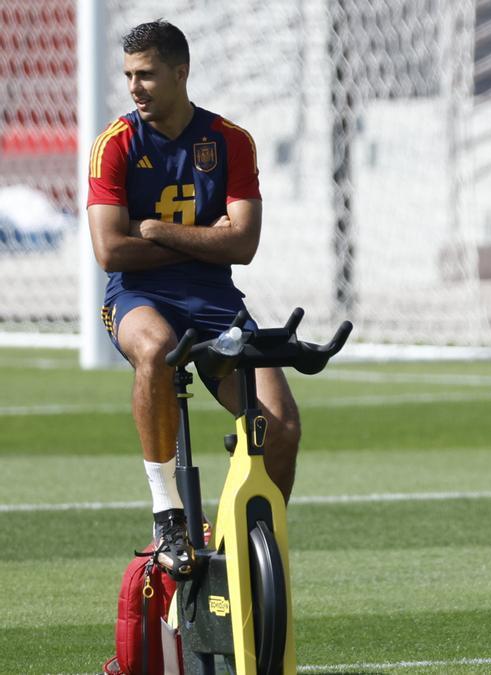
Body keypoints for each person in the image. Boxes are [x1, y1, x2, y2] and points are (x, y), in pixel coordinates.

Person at [87, 20, 301, 579]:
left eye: (147, 75)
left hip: (215, 299)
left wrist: (155, 230)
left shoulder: (230, 140)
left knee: (281, 428)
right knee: (155, 348)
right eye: (129, 75)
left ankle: (246, 548)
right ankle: (167, 513)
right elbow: (110, 252)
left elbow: (245, 244)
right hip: (136, 297)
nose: (135, 87)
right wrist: (205, 243)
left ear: (180, 73)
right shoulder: (115, 145)